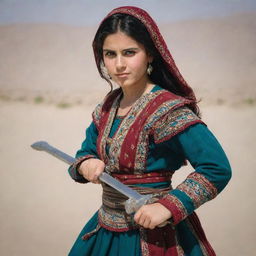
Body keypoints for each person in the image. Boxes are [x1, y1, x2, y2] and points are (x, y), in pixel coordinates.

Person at [68, 6, 231, 256]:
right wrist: (85, 164)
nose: (119, 64)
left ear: (150, 55)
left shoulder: (168, 110)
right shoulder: (107, 107)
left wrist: (168, 207)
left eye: (129, 52)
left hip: (158, 237)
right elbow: (85, 152)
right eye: (110, 54)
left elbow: (216, 167)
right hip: (105, 229)